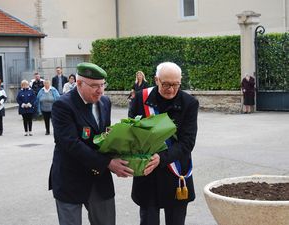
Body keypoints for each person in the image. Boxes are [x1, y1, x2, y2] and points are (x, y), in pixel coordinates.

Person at [49, 62, 133, 225]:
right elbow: (71, 144)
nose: (100, 90)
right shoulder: (63, 105)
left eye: (103, 85)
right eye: (95, 86)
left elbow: (103, 137)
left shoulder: (105, 102)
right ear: (79, 84)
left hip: (99, 179)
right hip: (70, 178)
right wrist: (108, 163)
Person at [129, 62, 199, 225]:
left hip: (176, 171)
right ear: (156, 80)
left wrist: (161, 157)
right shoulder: (141, 98)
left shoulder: (189, 103)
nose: (171, 89)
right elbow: (131, 132)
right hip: (148, 172)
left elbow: (187, 142)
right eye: (166, 84)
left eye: (176, 84)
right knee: (148, 220)